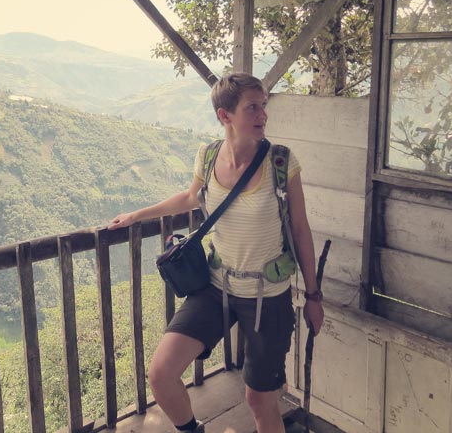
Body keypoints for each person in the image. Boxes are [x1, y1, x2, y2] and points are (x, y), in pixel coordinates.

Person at [108, 73, 324, 433]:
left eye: (263, 106)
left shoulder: (281, 163)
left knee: (259, 401)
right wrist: (136, 214)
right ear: (225, 116)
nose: (262, 114)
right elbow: (191, 198)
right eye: (252, 107)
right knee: (161, 373)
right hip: (217, 285)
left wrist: (314, 296)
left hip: (267, 296)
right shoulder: (208, 157)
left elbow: (301, 229)